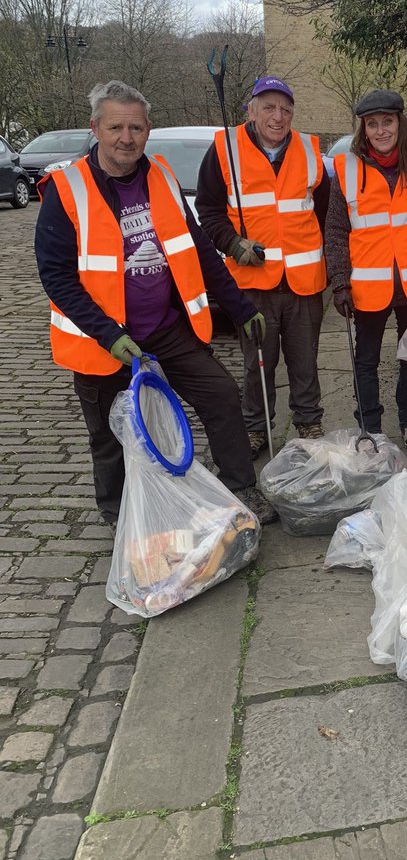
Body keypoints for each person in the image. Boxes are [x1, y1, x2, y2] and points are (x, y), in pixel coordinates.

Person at [34, 80, 276, 526]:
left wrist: (241, 308)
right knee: (110, 436)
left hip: (165, 328)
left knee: (221, 395)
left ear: (148, 129)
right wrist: (109, 334)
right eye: (116, 128)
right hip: (102, 342)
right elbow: (57, 278)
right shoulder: (66, 189)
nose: (126, 138)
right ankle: (120, 518)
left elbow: (200, 249)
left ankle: (241, 487)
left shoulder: (160, 176)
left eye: (136, 127)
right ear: (96, 128)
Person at [195, 76, 329, 457]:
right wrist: (235, 245)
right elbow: (208, 211)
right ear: (250, 110)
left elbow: (324, 211)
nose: (278, 116)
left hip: (304, 280)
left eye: (285, 109)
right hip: (253, 282)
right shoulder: (225, 148)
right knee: (258, 364)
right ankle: (256, 427)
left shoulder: (308, 149)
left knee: (305, 362)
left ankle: (308, 421)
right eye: (268, 107)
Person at [325, 90, 407, 449]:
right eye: (372, 124)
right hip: (368, 285)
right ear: (364, 129)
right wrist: (340, 281)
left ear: (400, 123)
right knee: (366, 359)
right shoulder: (346, 169)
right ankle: (371, 426)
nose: (380, 130)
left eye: (387, 122)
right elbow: (335, 229)